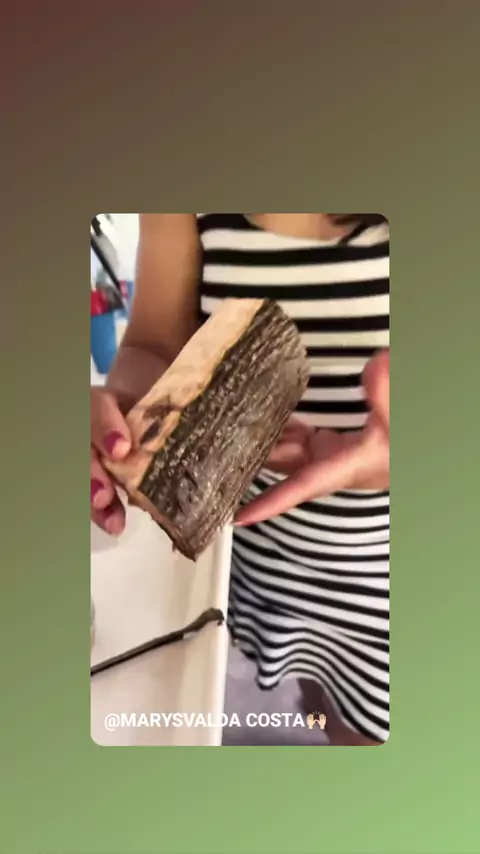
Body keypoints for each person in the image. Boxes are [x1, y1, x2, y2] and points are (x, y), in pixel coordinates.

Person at [91, 214, 389, 746]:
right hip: (259, 553)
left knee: (369, 737)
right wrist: (130, 420)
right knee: (312, 693)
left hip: (382, 581)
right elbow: (155, 343)